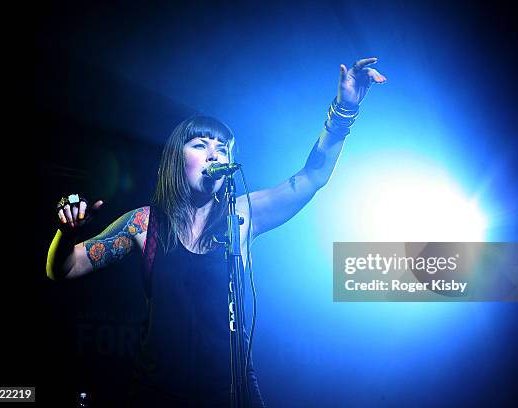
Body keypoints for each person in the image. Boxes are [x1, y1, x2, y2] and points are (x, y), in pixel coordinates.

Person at [46, 57, 386, 407]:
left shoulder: (241, 215)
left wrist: (344, 110)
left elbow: (312, 176)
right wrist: (67, 234)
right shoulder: (145, 223)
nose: (214, 154)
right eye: (200, 145)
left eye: (221, 148)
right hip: (157, 392)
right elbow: (64, 268)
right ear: (177, 160)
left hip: (231, 394)